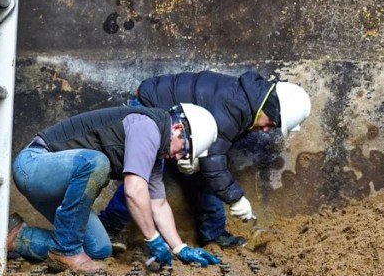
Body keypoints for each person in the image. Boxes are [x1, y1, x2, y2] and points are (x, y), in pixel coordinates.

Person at [98, 71, 312, 251]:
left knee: (204, 175)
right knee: (144, 173)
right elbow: (213, 161)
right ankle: (109, 226)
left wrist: (200, 161)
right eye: (271, 123)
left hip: (179, 120)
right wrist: (236, 198)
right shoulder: (235, 107)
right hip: (153, 107)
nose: (266, 130)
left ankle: (213, 232)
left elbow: (212, 157)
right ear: (269, 108)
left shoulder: (249, 102)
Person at [6, 104, 222, 275]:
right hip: (33, 165)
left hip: (59, 186)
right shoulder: (147, 127)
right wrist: (153, 238)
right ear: (178, 129)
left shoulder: (156, 154)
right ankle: (66, 250)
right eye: (184, 150)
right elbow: (134, 190)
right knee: (97, 162)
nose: (179, 157)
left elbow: (158, 203)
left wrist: (179, 248)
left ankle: (19, 237)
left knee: (99, 249)